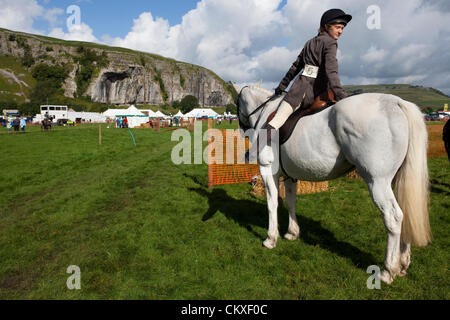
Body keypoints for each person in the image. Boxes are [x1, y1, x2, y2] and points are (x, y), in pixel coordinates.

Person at [268, 8, 352, 131]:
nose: (340, 31)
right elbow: (331, 72)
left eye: (342, 28)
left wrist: (281, 87)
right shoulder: (331, 43)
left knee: (275, 122)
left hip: (298, 91)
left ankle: (254, 150)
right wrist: (343, 97)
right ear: (327, 26)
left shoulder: (309, 43)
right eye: (338, 27)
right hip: (318, 93)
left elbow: (295, 68)